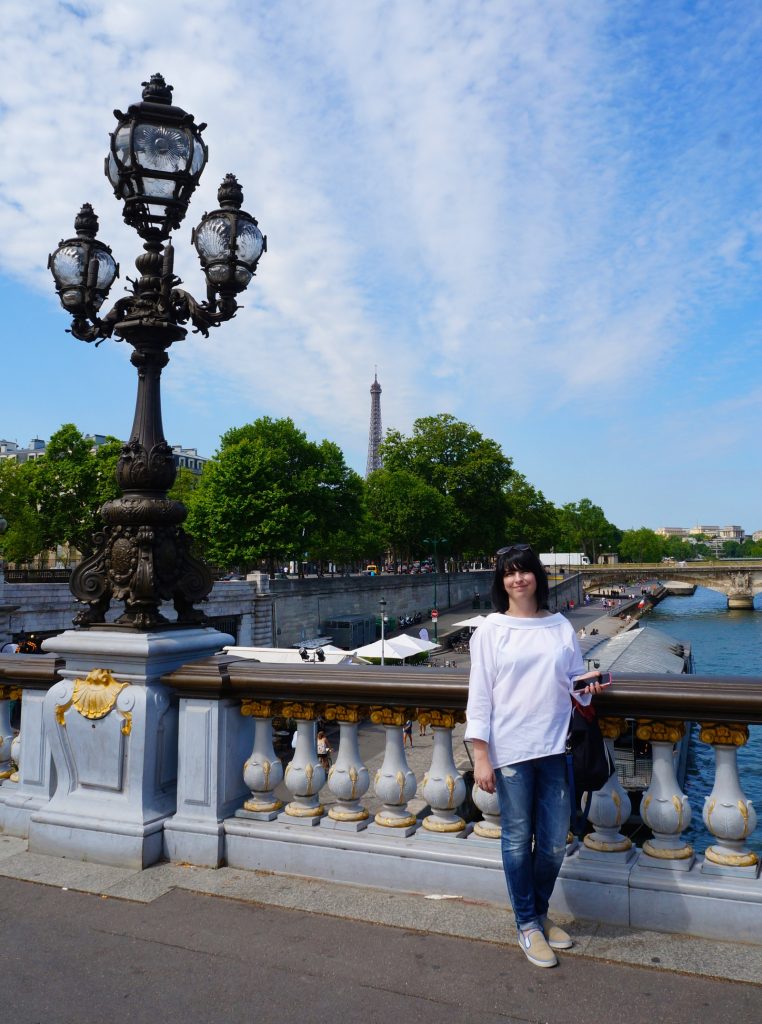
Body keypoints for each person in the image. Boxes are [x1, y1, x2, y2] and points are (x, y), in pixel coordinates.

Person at [465, 543, 606, 969]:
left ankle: (540, 914)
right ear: (501, 581)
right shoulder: (491, 629)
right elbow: (480, 696)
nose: (517, 579)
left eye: (524, 571)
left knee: (551, 846)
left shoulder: (560, 625)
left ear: (537, 577)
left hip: (555, 746)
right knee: (515, 841)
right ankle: (527, 924)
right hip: (511, 751)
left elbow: (571, 681)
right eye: (509, 573)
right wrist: (480, 756)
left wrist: (589, 686)